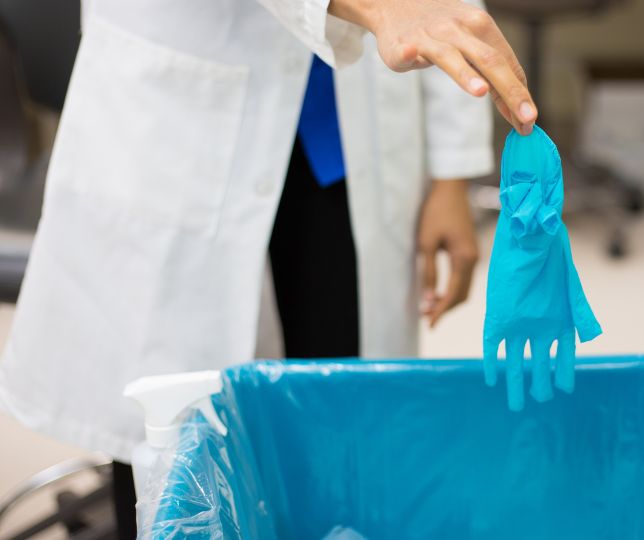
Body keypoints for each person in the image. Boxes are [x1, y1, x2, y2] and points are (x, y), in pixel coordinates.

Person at [0, 0, 536, 537]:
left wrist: (450, 171)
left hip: (348, 140)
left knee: (337, 421)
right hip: (183, 119)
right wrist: (377, 7)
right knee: (173, 426)